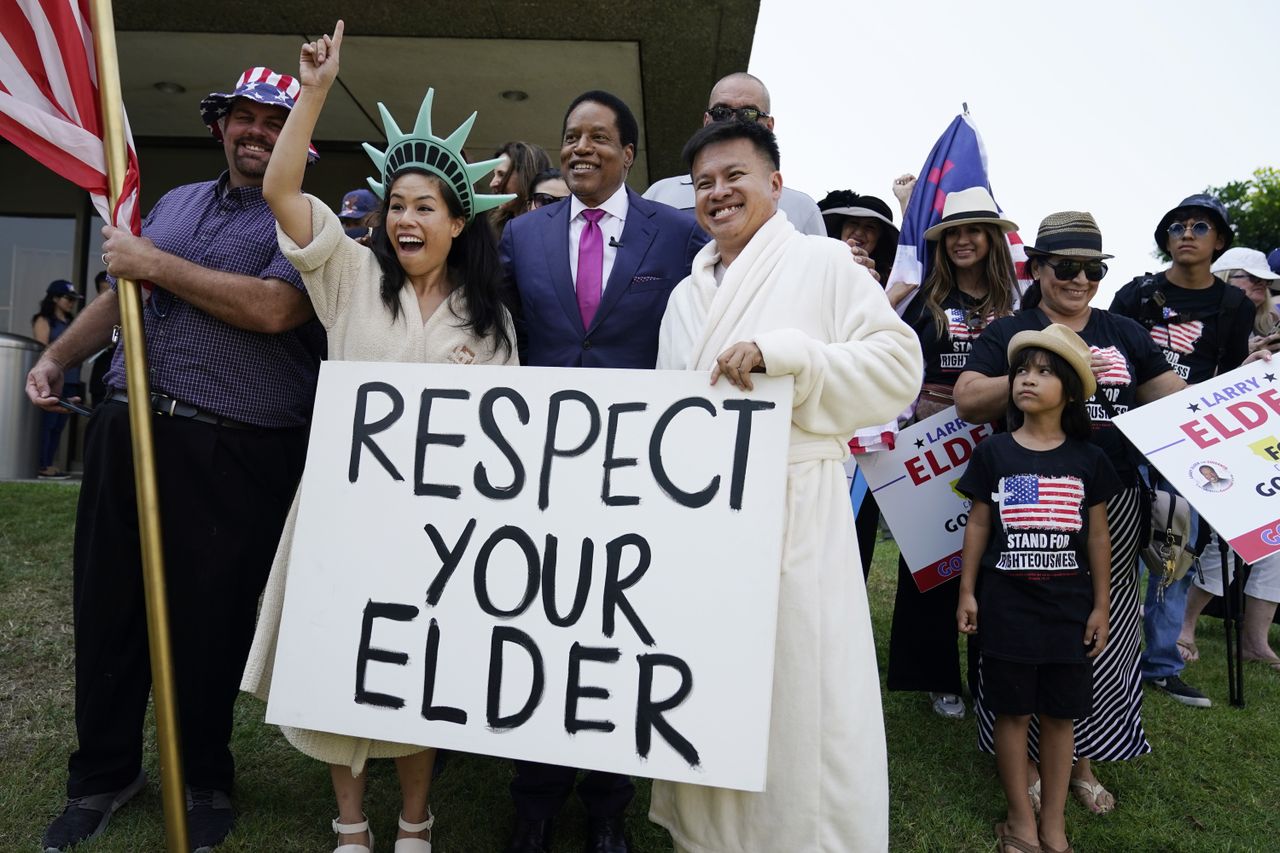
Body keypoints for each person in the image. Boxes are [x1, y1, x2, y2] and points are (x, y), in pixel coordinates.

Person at [25, 65, 323, 851]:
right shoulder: (173, 204)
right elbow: (121, 290)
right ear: (220, 125)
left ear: (299, 138)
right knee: (108, 605)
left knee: (210, 617)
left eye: (275, 122)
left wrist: (154, 264)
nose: (257, 133)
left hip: (234, 442)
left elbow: (275, 308)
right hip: (129, 430)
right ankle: (102, 773)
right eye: (245, 119)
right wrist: (58, 356)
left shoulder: (306, 217)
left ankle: (203, 776)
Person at [239, 23, 518, 853]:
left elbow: (506, 442)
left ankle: (416, 821)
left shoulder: (489, 323)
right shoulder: (350, 276)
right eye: (396, 204)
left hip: (438, 535)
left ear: (458, 222)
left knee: (417, 678)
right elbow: (282, 190)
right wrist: (316, 91)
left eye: (424, 206)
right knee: (341, 671)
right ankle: (351, 826)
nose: (404, 218)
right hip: (345, 520)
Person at [649, 118, 922, 853]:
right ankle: (707, 836)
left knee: (801, 691)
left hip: (796, 506)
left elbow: (900, 366)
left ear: (775, 182)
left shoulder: (828, 265)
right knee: (706, 680)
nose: (718, 192)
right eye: (704, 183)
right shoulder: (685, 294)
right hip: (702, 521)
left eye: (733, 175)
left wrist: (792, 356)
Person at [498, 89, 706, 853]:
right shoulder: (524, 235)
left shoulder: (678, 234)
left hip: (636, 477)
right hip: (542, 473)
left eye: (597, 137)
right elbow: (495, 326)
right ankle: (535, 795)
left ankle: (609, 802)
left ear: (627, 154)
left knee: (617, 638)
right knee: (542, 630)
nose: (580, 148)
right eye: (570, 136)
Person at [955, 211, 1185, 817]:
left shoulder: (1127, 331)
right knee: (1015, 626)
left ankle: (1080, 761)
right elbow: (968, 400)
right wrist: (1042, 367)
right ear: (1038, 267)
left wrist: (1249, 382)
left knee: (1097, 634)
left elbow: (1180, 402)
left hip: (1108, 496)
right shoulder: (1012, 329)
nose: (1079, 280)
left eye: (1092, 270)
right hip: (1024, 499)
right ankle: (1024, 763)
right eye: (1065, 268)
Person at [956, 324, 1118, 853]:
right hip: (1006, 610)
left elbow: (1097, 535)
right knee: (1011, 713)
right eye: (1022, 369)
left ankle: (1053, 826)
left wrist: (1101, 605)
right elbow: (978, 525)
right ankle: (1020, 822)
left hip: (1069, 612)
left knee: (1059, 716)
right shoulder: (995, 453)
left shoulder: (1089, 459)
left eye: (1045, 372)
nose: (1028, 379)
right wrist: (968, 593)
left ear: (1070, 391)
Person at [1108, 194, 1256, 710]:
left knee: (1174, 556)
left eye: (1199, 226)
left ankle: (1162, 665)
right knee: (1112, 547)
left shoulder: (1236, 304)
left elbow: (1234, 375)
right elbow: (1108, 358)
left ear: (1219, 241)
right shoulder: (1137, 293)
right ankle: (1105, 652)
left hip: (1191, 448)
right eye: (1176, 225)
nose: (1185, 233)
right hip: (1126, 438)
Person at [888, 186, 1020, 721]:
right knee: (932, 562)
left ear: (992, 239)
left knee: (996, 558)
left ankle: (992, 670)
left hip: (1000, 444)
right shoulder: (922, 301)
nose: (963, 241)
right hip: (932, 445)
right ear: (941, 243)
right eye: (953, 233)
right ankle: (938, 678)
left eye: (974, 231)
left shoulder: (1016, 304)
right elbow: (899, 370)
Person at [643, 72, 825, 238]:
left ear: (769, 126)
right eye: (721, 112)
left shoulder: (803, 209)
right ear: (707, 121)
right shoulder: (660, 195)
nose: (733, 122)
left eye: (748, 114)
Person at [31, 279, 83, 478]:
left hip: (71, 380)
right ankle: (42, 465)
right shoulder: (43, 320)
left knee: (58, 426)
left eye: (73, 299)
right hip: (52, 381)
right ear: (54, 298)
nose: (71, 303)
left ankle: (48, 463)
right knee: (48, 424)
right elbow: (41, 349)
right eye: (68, 298)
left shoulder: (71, 322)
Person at [817, 189, 899, 283]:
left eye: (870, 227)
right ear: (842, 227)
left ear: (880, 238)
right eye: (854, 222)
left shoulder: (891, 282)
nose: (859, 232)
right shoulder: (819, 259)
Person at [1211, 246, 1280, 345]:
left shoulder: (1270, 323)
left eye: (1267, 280)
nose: (1263, 283)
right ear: (1226, 279)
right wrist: (1245, 351)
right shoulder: (1204, 321)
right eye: (1254, 277)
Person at [488, 140, 552, 239]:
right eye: (494, 175)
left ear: (526, 177)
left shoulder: (553, 232)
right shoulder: (495, 232)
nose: (492, 184)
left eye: (501, 175)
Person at [86, 271, 114, 407]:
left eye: (113, 291)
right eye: (105, 292)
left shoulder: (135, 313)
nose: (111, 297)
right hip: (100, 380)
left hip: (123, 388)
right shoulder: (93, 319)